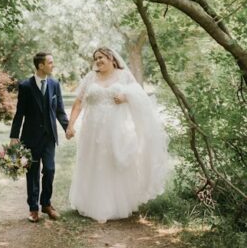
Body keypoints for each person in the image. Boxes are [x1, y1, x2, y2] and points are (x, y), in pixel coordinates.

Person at [65, 47, 170, 222]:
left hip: (116, 128)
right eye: (95, 58)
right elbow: (78, 102)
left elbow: (141, 96)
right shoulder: (90, 77)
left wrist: (126, 96)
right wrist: (70, 125)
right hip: (92, 130)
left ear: (112, 58)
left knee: (114, 162)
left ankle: (117, 204)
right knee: (93, 163)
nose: (98, 61)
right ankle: (91, 203)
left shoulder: (124, 76)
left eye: (101, 57)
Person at [10, 52, 69, 222]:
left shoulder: (55, 84)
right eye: (50, 62)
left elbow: (59, 110)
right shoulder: (25, 86)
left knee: (49, 170)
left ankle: (46, 204)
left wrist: (67, 127)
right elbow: (19, 113)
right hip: (30, 137)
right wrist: (14, 135)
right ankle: (33, 208)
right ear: (40, 66)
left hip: (49, 136)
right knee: (32, 173)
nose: (53, 65)